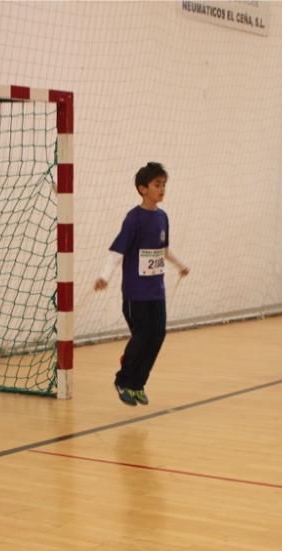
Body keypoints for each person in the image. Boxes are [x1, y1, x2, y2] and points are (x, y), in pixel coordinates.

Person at [95, 162, 189, 407]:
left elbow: (164, 249)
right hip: (135, 294)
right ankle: (123, 380)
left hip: (156, 292)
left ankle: (138, 384)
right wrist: (104, 276)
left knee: (157, 335)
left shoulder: (162, 217)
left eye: (164, 185)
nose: (162, 189)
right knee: (143, 334)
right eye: (157, 184)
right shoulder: (133, 218)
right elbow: (117, 250)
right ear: (142, 188)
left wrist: (180, 265)